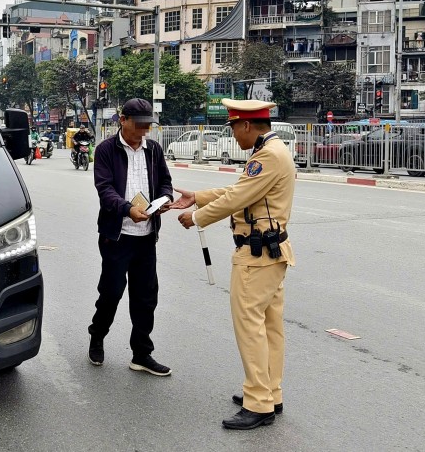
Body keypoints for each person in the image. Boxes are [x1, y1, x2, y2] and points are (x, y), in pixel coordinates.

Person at [171, 99, 297, 430]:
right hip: (271, 253)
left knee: (250, 327)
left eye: (233, 128)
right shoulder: (272, 151)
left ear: (245, 125)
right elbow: (241, 189)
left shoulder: (267, 155)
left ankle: (259, 403)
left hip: (256, 258)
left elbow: (237, 198)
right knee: (270, 327)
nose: (233, 135)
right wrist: (198, 196)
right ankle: (270, 392)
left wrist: (196, 216)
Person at [88, 98, 176, 376]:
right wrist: (128, 209)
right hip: (117, 236)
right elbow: (105, 190)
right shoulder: (105, 150)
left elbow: (165, 181)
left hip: (147, 235)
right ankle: (97, 335)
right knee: (111, 292)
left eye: (148, 125)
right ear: (122, 120)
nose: (144, 131)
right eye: (139, 125)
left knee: (146, 296)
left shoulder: (154, 150)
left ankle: (141, 353)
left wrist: (165, 199)